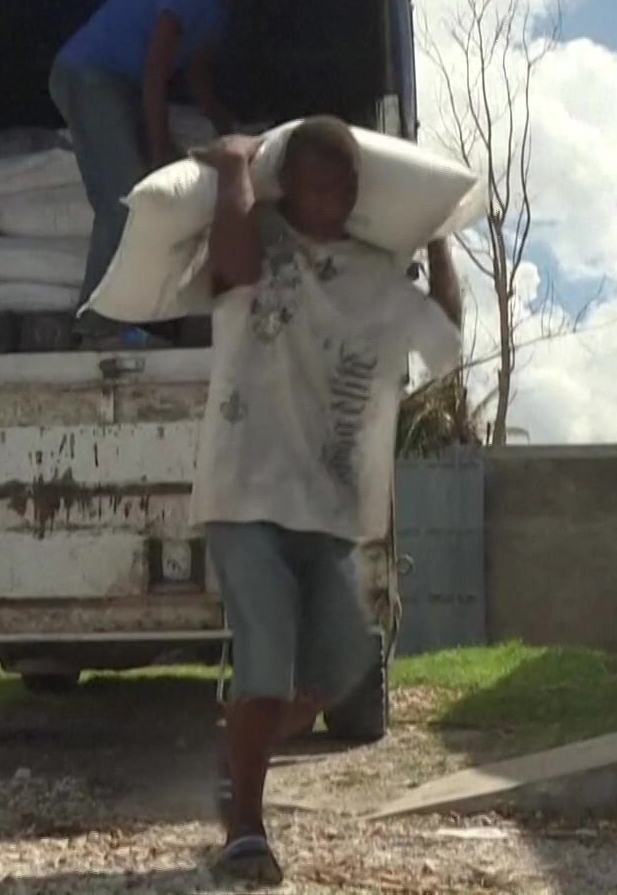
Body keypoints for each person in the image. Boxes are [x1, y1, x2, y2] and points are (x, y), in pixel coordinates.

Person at [190, 119, 463, 884]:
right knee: (267, 666)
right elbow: (232, 273)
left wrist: (436, 235)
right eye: (312, 180)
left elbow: (444, 331)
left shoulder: (377, 274)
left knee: (339, 665)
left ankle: (236, 755)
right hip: (246, 492)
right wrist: (236, 169)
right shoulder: (257, 238)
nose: (329, 196)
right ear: (289, 183)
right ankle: (246, 825)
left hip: (330, 506)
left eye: (343, 183)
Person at [50, 0, 281, 347]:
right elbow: (156, 70)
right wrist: (159, 149)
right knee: (126, 194)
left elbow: (194, 74)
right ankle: (96, 324)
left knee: (132, 194)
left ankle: (119, 316)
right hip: (89, 73)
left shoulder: (219, 12)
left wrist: (229, 130)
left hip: (116, 84)